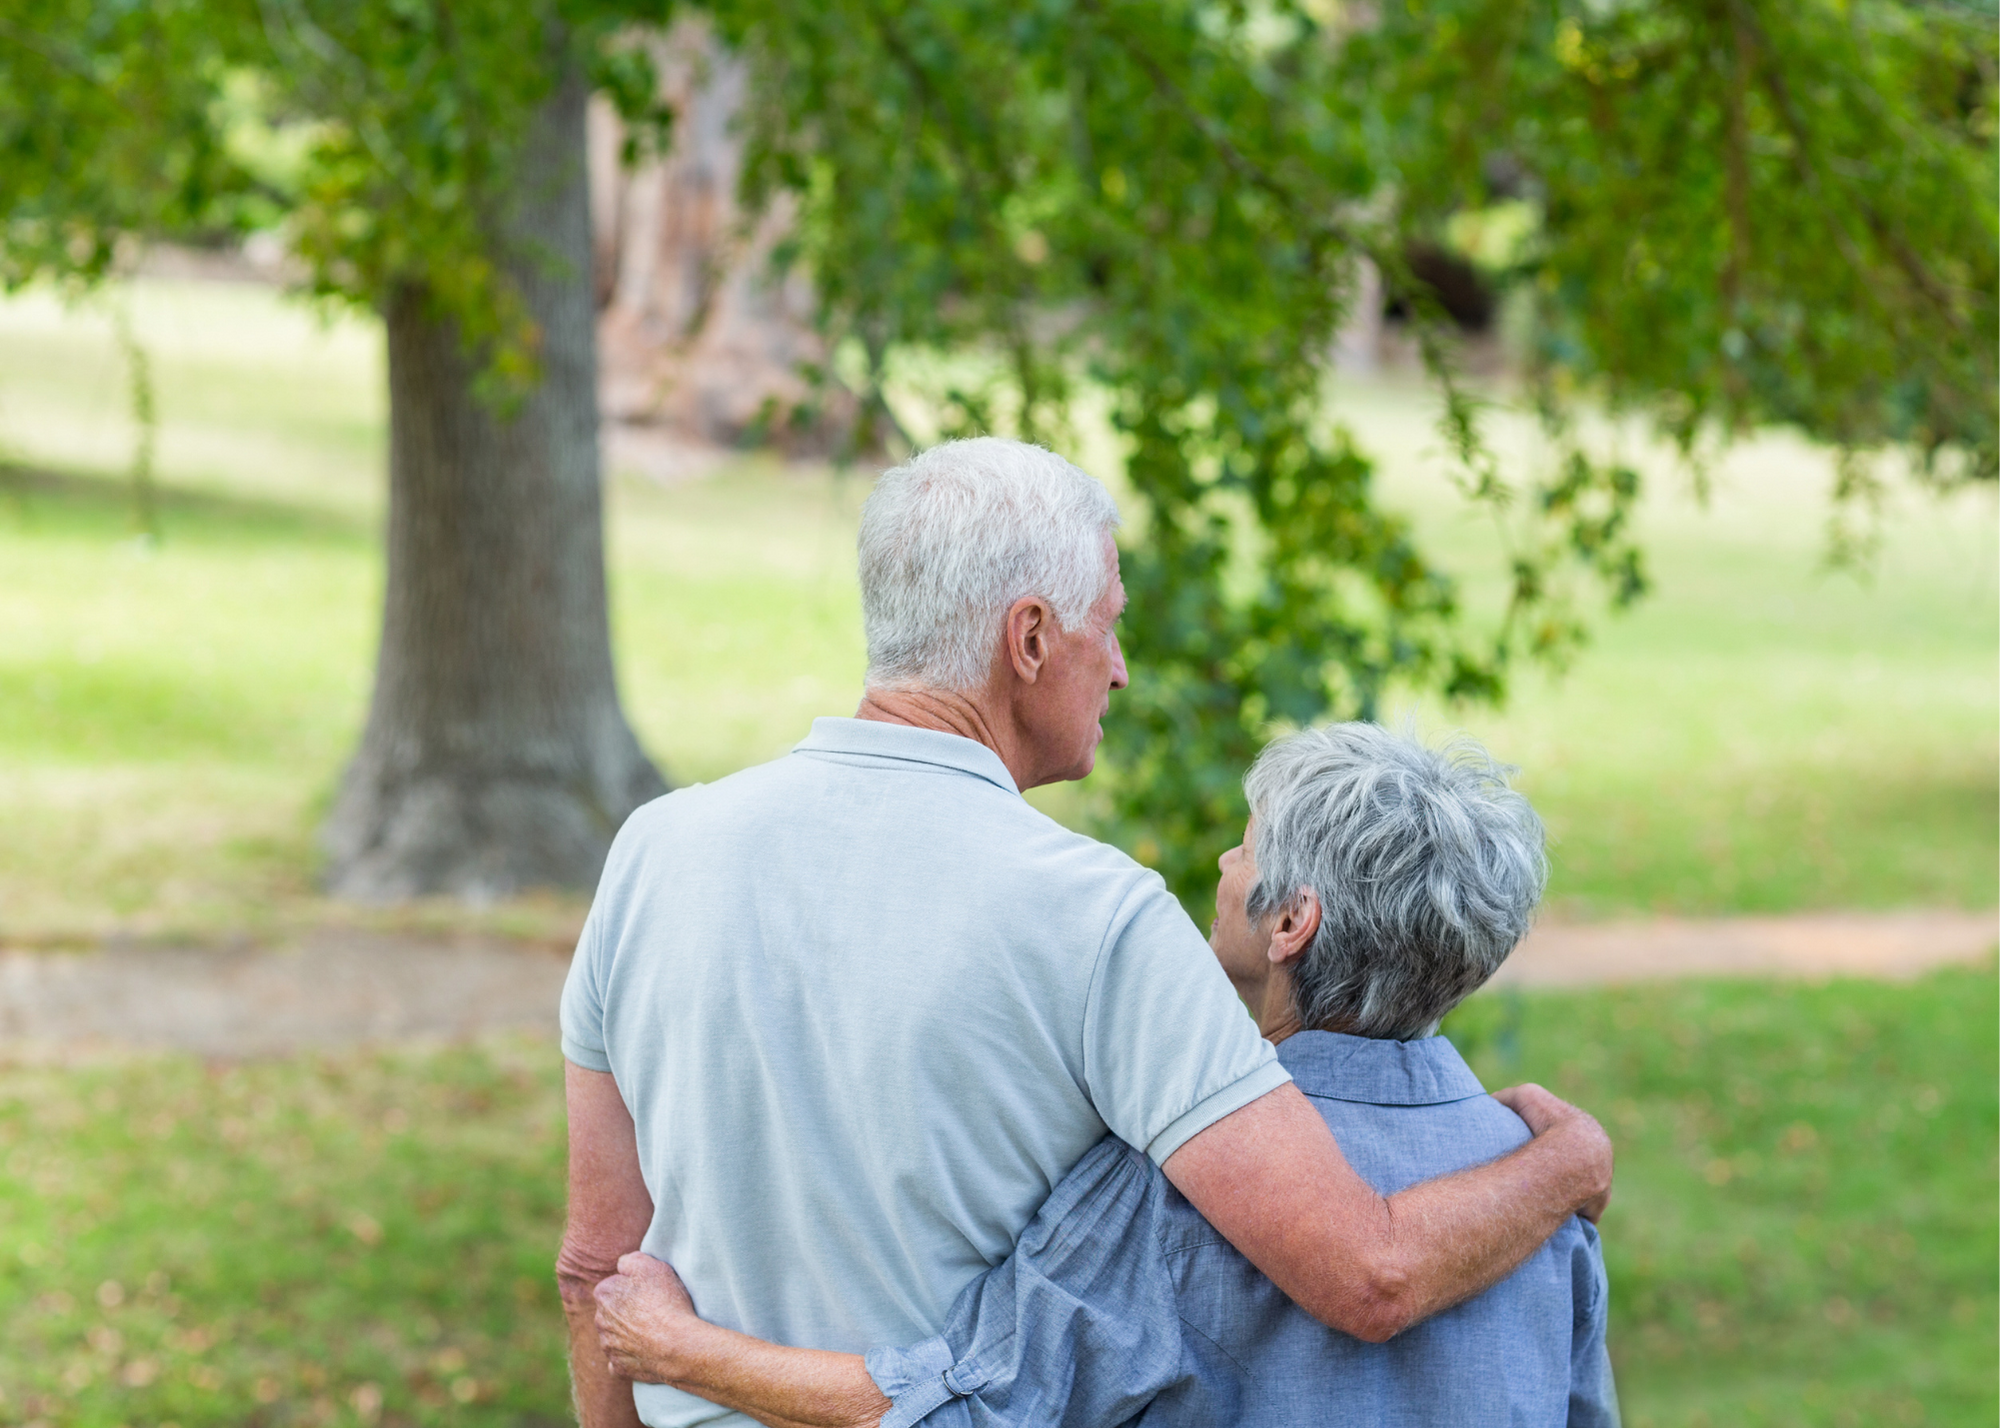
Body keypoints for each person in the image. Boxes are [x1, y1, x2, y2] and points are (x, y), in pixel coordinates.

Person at [557, 438, 1613, 1428]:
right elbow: (1366, 1272)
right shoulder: (1096, 918)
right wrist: (1563, 1166)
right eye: (1105, 624)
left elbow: (594, 1264)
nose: (1115, 667)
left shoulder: (653, 850)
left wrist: (685, 1358)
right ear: (1027, 639)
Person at [589, 723, 1619, 1428]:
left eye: (1244, 846)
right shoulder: (1536, 1189)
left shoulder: (1175, 1183)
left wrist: (679, 1351)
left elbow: (965, 1407)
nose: (1221, 863)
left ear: (1290, 919)